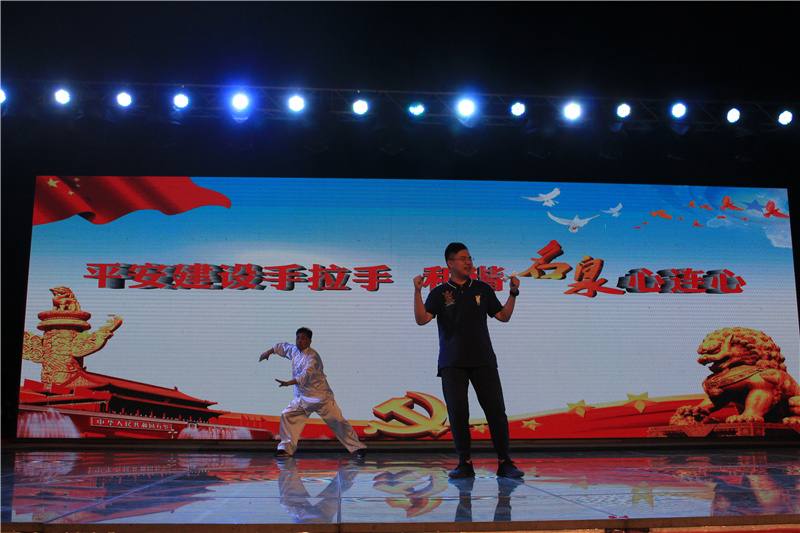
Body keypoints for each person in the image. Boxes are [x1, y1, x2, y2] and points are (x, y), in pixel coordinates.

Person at [413, 243, 524, 479]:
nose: (469, 262)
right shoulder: (439, 292)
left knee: (496, 411)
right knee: (458, 413)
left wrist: (513, 293)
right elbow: (422, 319)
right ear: (450, 263)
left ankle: (505, 462)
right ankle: (464, 463)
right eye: (463, 258)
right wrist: (417, 292)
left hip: (483, 359)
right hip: (452, 362)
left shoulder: (482, 288)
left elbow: (503, 316)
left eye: (470, 258)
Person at [259, 327, 367, 458]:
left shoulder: (313, 357)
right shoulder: (294, 350)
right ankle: (285, 449)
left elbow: (305, 376)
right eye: (298, 338)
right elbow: (282, 347)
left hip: (321, 398)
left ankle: (358, 447)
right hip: (302, 398)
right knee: (287, 415)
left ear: (310, 341)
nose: (299, 341)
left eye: (303, 338)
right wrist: (268, 352)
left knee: (337, 421)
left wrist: (288, 383)